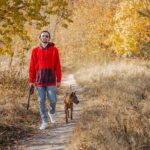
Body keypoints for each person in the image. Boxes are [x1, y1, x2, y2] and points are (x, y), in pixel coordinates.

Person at [29, 30, 62, 130]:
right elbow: (32, 67)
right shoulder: (35, 50)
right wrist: (31, 81)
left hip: (51, 80)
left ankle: (51, 112)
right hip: (39, 81)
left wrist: (59, 79)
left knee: (53, 100)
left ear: (49, 38)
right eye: (43, 36)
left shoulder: (54, 50)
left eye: (46, 36)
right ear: (40, 38)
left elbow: (58, 65)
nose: (45, 37)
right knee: (41, 101)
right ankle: (44, 121)